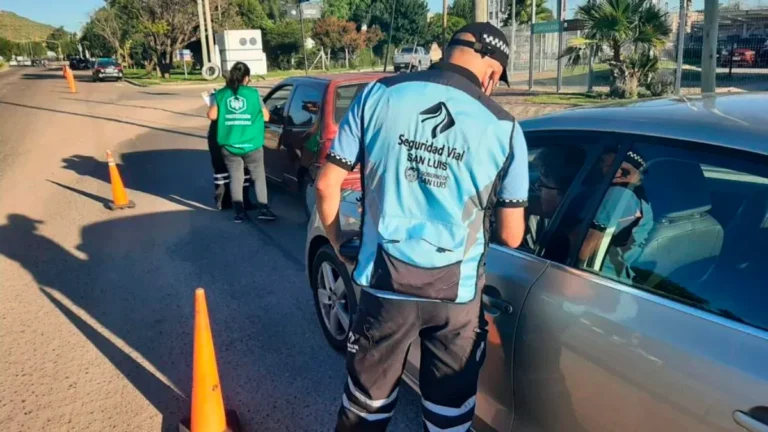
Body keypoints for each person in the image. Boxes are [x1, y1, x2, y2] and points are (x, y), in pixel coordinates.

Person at [315, 23, 529, 431]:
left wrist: (339, 239)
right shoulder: (505, 128)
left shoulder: (377, 95)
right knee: (448, 419)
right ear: (492, 74)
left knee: (365, 410)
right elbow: (512, 235)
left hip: (383, 287)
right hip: (457, 298)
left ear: (447, 52)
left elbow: (327, 184)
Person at [207, 62, 276, 223]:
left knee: (235, 177)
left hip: (230, 144)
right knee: (258, 176)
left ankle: (239, 212)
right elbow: (266, 117)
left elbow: (212, 116)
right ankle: (264, 209)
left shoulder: (221, 94)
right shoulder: (253, 94)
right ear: (246, 78)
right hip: (252, 144)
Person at [578, 150, 653, 282]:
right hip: (615, 278)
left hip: (593, 279)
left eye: (624, 170)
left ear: (638, 175)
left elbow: (585, 249)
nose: (615, 173)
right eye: (604, 165)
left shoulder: (619, 195)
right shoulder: (640, 199)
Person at [206, 118, 254, 211]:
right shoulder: (250, 102)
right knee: (243, 167)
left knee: (220, 166)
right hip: (241, 130)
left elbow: (212, 115)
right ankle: (243, 201)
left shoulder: (218, 102)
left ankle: (224, 201)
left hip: (220, 131)